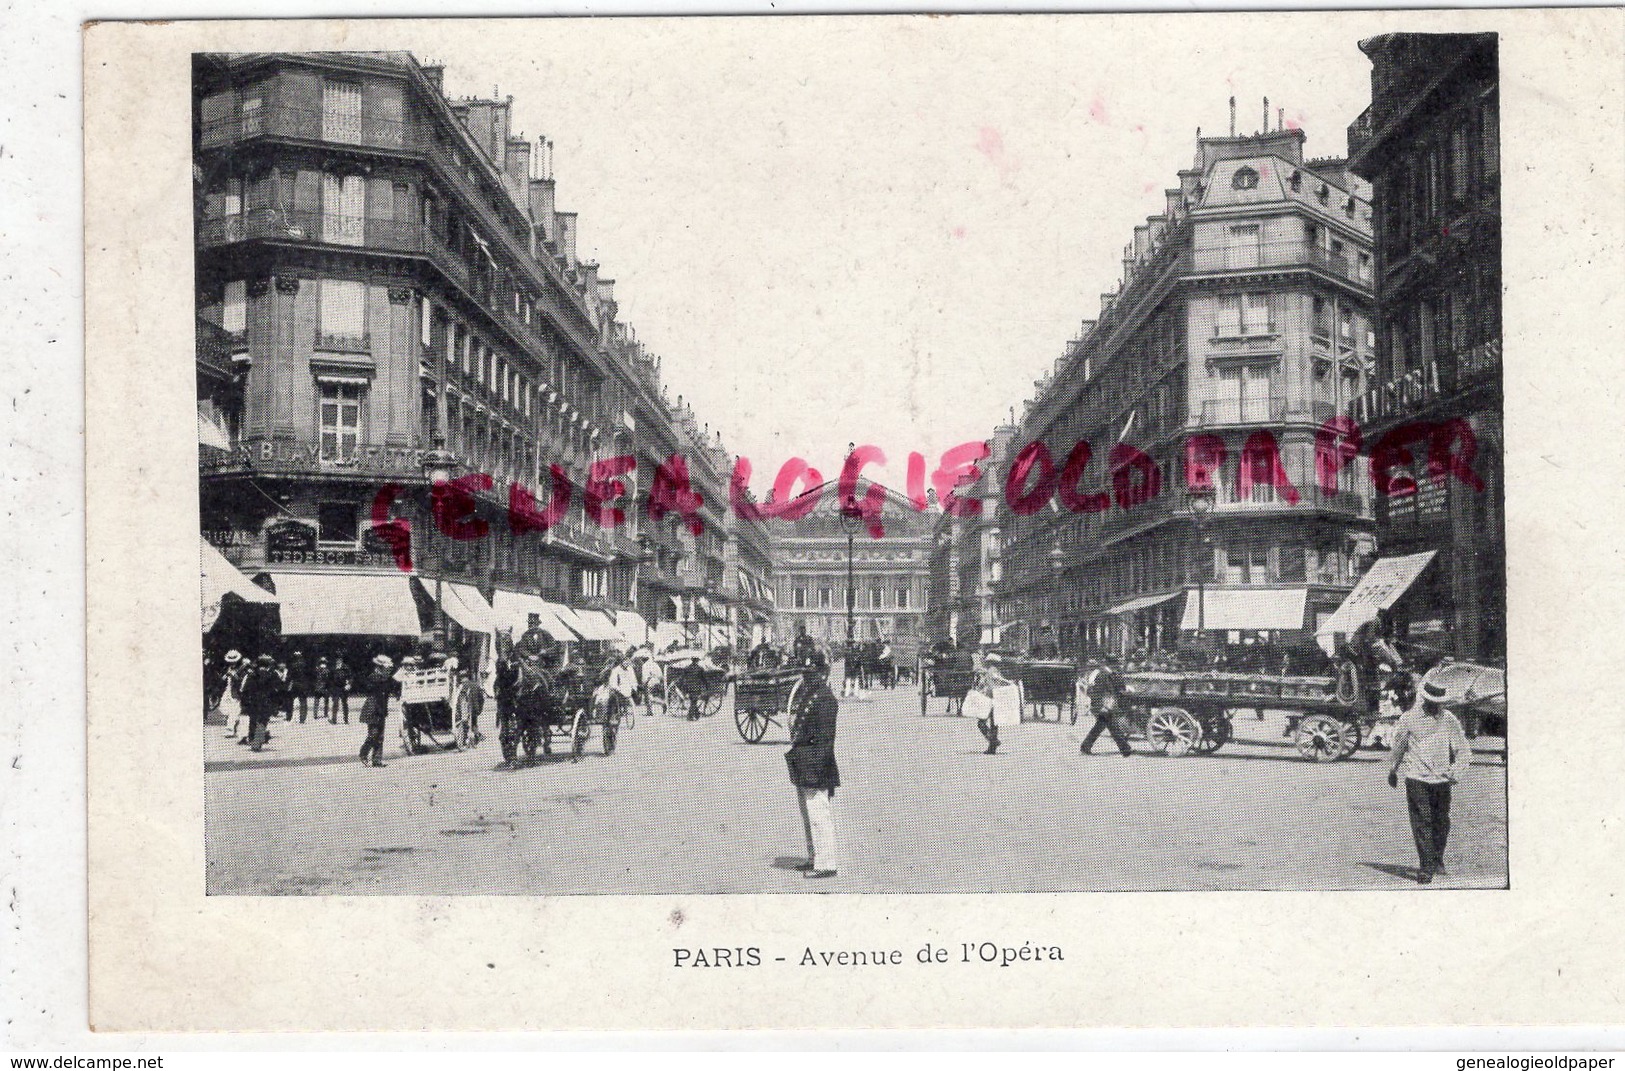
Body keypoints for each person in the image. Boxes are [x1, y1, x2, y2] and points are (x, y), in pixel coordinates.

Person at [1387, 678, 1472, 884]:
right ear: (1425, 699)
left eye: (1439, 702)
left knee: (1441, 822)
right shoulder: (1409, 719)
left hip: (1441, 780)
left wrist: (1456, 771)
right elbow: (1399, 746)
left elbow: (1463, 750)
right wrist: (1393, 769)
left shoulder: (1449, 719)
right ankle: (1426, 867)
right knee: (1422, 821)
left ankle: (1437, 858)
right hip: (1416, 778)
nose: (1436, 705)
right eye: (1433, 701)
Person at [785, 649, 841, 880]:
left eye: (813, 672)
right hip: (804, 760)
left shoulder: (825, 698)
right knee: (809, 815)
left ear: (823, 672)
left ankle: (826, 863)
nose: (808, 677)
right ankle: (814, 856)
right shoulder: (809, 694)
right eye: (806, 673)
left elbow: (826, 739)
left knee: (819, 815)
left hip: (816, 763)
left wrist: (815, 766)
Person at [1079, 659, 1133, 757]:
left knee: (1102, 727)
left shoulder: (1102, 673)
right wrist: (1106, 706)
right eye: (1116, 665)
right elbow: (1109, 691)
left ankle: (1085, 747)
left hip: (1100, 705)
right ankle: (1125, 749)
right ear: (1112, 664)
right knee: (1112, 727)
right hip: (1103, 705)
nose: (1118, 667)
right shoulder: (1106, 675)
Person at [358, 653, 399, 768]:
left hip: (381, 709)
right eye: (387, 668)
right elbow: (375, 685)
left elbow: (391, 686)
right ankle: (363, 753)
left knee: (380, 736)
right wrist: (388, 679)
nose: (389, 670)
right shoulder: (374, 677)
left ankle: (377, 760)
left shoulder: (385, 679)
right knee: (373, 734)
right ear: (381, 667)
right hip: (372, 708)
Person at [217, 650, 245, 738]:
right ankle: (234, 727)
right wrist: (225, 676)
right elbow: (223, 679)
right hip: (228, 690)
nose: (232, 663)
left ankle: (230, 730)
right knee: (225, 709)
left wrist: (233, 675)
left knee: (234, 711)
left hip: (236, 691)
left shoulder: (242, 668)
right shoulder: (228, 668)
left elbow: (241, 680)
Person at [327, 655, 352, 724]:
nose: (338, 661)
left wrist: (349, 684)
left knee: (344, 703)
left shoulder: (346, 668)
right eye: (337, 660)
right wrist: (331, 688)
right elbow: (330, 678)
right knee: (335, 703)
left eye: (339, 659)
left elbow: (350, 677)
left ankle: (346, 720)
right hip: (336, 688)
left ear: (341, 660)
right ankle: (334, 720)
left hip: (344, 687)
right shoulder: (333, 668)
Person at [287, 649, 311, 722]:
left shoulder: (292, 665)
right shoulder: (305, 664)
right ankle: (302, 718)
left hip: (295, 684)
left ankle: (289, 716)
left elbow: (289, 675)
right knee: (303, 701)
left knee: (290, 701)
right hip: (303, 685)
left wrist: (289, 684)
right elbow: (309, 675)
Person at [311, 657, 331, 722]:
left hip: (319, 687)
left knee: (318, 701)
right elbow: (328, 680)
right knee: (324, 701)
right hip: (323, 687)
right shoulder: (326, 670)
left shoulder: (317, 670)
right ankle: (324, 713)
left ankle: (315, 714)